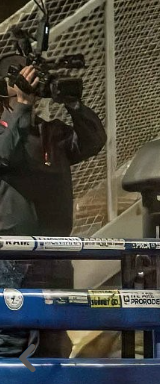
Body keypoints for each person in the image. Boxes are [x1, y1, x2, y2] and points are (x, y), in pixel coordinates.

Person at [0, 61, 106, 358]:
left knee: (55, 343)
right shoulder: (5, 132)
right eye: (21, 79)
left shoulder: (51, 133)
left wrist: (73, 104)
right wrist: (21, 106)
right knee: (9, 344)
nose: (29, 84)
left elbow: (94, 141)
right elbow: (5, 154)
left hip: (55, 254)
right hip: (10, 259)